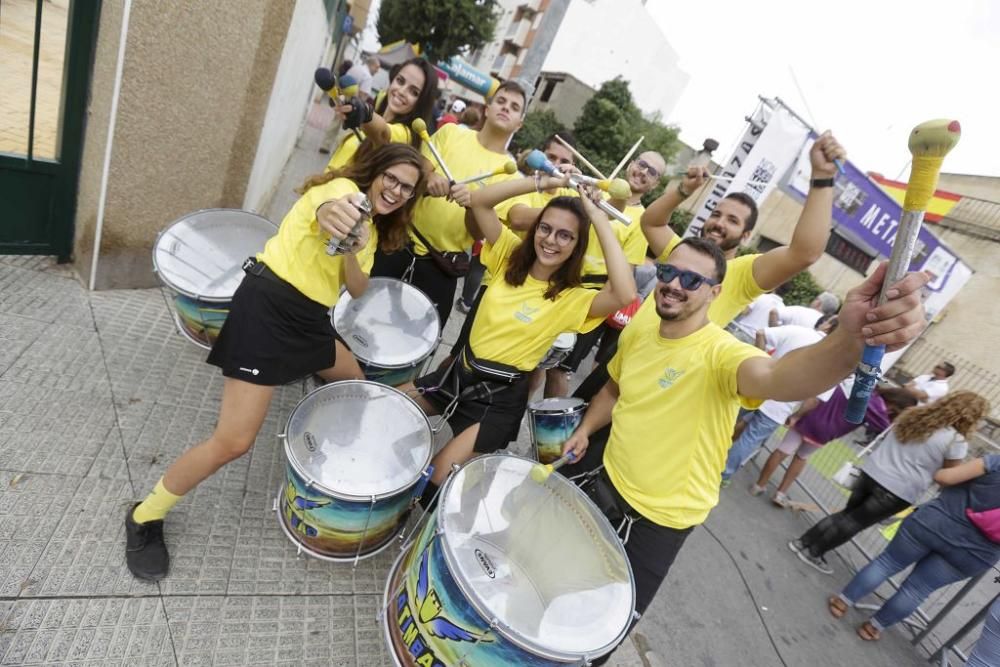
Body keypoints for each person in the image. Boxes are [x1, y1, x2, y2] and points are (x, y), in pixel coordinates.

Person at [558, 235, 928, 663]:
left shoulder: (721, 353)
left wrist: (850, 342)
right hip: (604, 483)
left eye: (693, 280)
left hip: (657, 525)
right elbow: (614, 386)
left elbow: (776, 377)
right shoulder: (643, 333)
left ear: (716, 293)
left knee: (594, 642)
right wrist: (585, 428)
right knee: (558, 594)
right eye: (669, 272)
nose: (676, 284)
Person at [123, 143, 428, 581]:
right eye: (391, 179)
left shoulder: (373, 232)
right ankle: (144, 516)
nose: (396, 191)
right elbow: (331, 210)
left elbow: (358, 288)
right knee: (233, 442)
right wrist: (344, 220)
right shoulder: (342, 190)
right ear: (374, 174)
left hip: (309, 319)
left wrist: (351, 247)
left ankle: (326, 462)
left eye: (407, 188)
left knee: (355, 383)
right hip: (269, 309)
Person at [563, 132, 847, 469]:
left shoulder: (740, 273)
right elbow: (652, 220)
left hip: (655, 384)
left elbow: (805, 252)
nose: (718, 222)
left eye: (732, 220)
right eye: (717, 213)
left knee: (591, 470)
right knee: (560, 446)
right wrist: (684, 190)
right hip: (620, 366)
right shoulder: (686, 255)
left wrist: (822, 178)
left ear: (746, 236)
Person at [397, 175, 636, 493]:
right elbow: (481, 201)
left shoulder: (572, 298)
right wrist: (549, 180)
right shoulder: (507, 254)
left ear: (578, 245)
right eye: (546, 228)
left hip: (498, 400)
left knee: (433, 480)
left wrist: (596, 217)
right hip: (455, 375)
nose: (551, 240)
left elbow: (624, 293)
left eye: (566, 236)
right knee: (386, 406)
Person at [371, 80, 527, 327]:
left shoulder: (509, 176)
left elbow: (478, 233)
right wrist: (430, 177)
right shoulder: (452, 133)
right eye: (501, 101)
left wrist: (473, 207)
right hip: (400, 242)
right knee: (362, 313)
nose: (506, 107)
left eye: (514, 106)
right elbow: (418, 171)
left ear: (519, 123)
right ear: (487, 108)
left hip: (441, 265)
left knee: (418, 341)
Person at [789, 391, 986, 574]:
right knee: (854, 523)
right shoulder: (956, 441)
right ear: (971, 417)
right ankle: (814, 552)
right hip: (899, 489)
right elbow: (949, 475)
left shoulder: (913, 415)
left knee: (847, 514)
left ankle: (803, 542)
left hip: (871, 472)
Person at [830, 452, 1000, 641]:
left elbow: (945, 477)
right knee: (918, 590)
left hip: (936, 521)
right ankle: (873, 628)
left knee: (886, 563)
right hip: (977, 553)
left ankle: (842, 602)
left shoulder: (996, 461)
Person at [543, 150, 666, 398]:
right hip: (556, 281)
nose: (642, 172)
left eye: (651, 172)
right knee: (536, 358)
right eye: (641, 164)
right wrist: (574, 179)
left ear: (655, 184)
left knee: (559, 368)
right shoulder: (593, 191)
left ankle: (551, 435)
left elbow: (624, 274)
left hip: (589, 296)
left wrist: (595, 310)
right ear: (630, 163)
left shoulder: (641, 222)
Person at [720, 317, 839, 486]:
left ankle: (702, 452)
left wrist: (759, 361)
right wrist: (797, 415)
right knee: (750, 439)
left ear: (828, 325)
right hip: (781, 406)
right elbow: (814, 400)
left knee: (726, 420)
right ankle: (723, 474)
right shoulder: (832, 362)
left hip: (758, 386)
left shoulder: (800, 331)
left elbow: (761, 332)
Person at [750, 378, 892, 509]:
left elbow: (814, 399)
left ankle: (759, 485)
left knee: (782, 451)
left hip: (809, 419)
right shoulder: (871, 402)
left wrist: (797, 415)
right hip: (825, 432)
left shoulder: (841, 381)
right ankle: (780, 493)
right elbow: (883, 425)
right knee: (801, 458)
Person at [323, 58, 439, 169]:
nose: (402, 91)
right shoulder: (380, 102)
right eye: (400, 81)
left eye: (414, 92)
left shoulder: (405, 135)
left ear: (422, 102)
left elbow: (383, 132)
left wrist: (363, 112)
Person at [769, 291, 839, 328]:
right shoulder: (825, 326)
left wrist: (775, 332)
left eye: (816, 299)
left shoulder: (799, 310)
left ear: (818, 303)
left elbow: (774, 312)